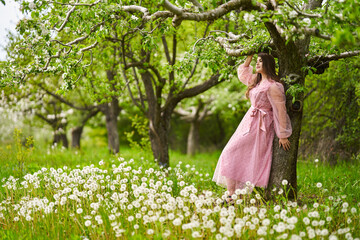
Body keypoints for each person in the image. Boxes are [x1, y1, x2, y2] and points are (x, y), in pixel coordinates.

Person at [212, 53, 292, 203]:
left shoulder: (274, 86)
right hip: (248, 121)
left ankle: (237, 195)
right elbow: (243, 73)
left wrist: (283, 134)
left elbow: (280, 111)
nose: (257, 64)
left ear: (268, 64)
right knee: (229, 152)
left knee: (247, 158)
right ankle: (232, 195)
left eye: (261, 61)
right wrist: (249, 56)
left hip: (261, 125)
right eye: (257, 61)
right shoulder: (256, 80)